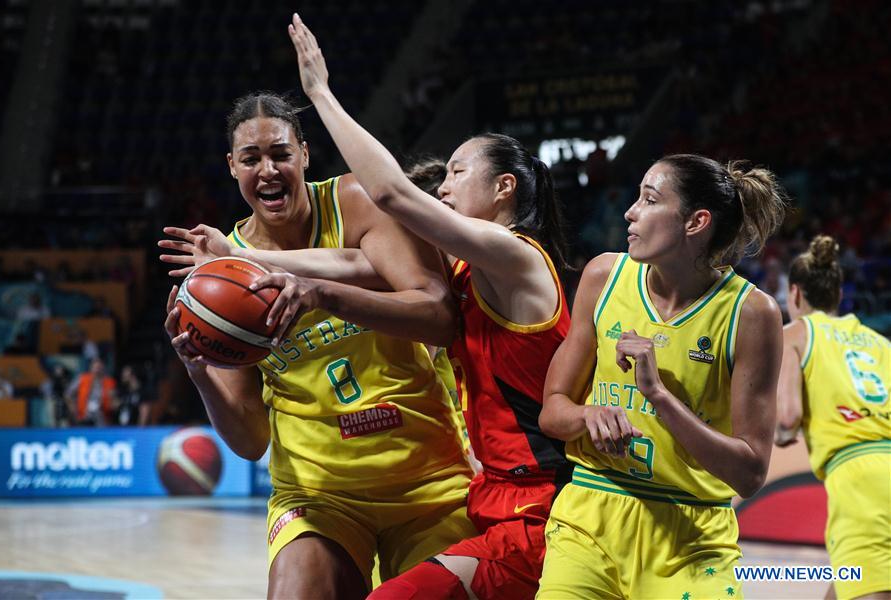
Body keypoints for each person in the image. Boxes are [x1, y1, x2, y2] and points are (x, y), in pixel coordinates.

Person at [287, 15, 572, 599]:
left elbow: (390, 193)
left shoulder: (516, 256)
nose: (442, 186)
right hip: (498, 494)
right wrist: (238, 257)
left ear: (504, 189)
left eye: (456, 173)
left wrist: (320, 94)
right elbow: (352, 264)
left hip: (542, 506)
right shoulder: (467, 267)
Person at [162, 87, 474, 598]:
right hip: (318, 491)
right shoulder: (219, 276)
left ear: (304, 154)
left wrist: (323, 296)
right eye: (251, 158)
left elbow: (440, 318)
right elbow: (249, 441)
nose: (268, 169)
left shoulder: (354, 202)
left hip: (428, 479)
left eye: (281, 153)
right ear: (232, 167)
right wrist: (199, 370)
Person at [537, 153, 787, 598]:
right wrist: (588, 415)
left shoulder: (751, 313)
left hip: (692, 537)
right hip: (590, 517)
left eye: (650, 200)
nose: (630, 211)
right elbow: (552, 410)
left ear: (696, 222)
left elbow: (750, 474)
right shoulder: (603, 276)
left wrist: (660, 398)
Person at [775, 235, 890, 600]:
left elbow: (787, 417)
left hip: (860, 480)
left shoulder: (794, 334)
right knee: (845, 586)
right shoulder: (880, 342)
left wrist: (779, 432)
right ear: (839, 295)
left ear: (794, 295)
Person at [66, 357, 115, 426]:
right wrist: (73, 410)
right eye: (95, 367)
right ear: (91, 368)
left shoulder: (109, 382)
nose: (97, 370)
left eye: (99, 367)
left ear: (103, 368)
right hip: (84, 416)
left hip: (102, 419)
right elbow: (68, 394)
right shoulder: (82, 379)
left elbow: (113, 400)